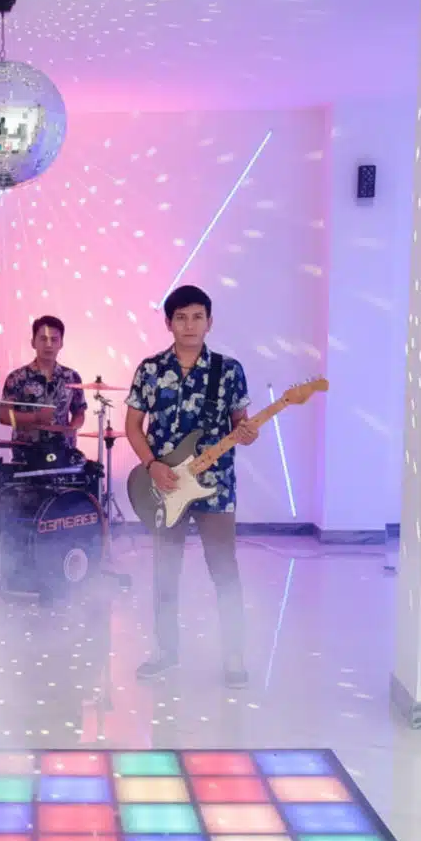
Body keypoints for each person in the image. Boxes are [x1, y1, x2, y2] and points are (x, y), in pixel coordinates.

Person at [124, 285, 258, 688]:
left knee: (224, 570)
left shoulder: (229, 370)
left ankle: (234, 655)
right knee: (165, 572)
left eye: (197, 317)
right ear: (168, 323)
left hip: (215, 487)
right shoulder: (150, 370)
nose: (189, 325)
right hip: (165, 487)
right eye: (181, 317)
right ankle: (166, 651)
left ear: (209, 322)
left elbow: (241, 424)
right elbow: (133, 426)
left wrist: (247, 433)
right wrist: (151, 466)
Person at [0, 315, 88, 453]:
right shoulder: (16, 378)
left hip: (62, 452)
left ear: (61, 343)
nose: (48, 345)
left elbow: (79, 412)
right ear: (33, 342)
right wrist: (35, 417)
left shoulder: (72, 377)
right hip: (26, 455)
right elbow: (4, 416)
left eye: (54, 339)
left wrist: (72, 427)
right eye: (43, 339)